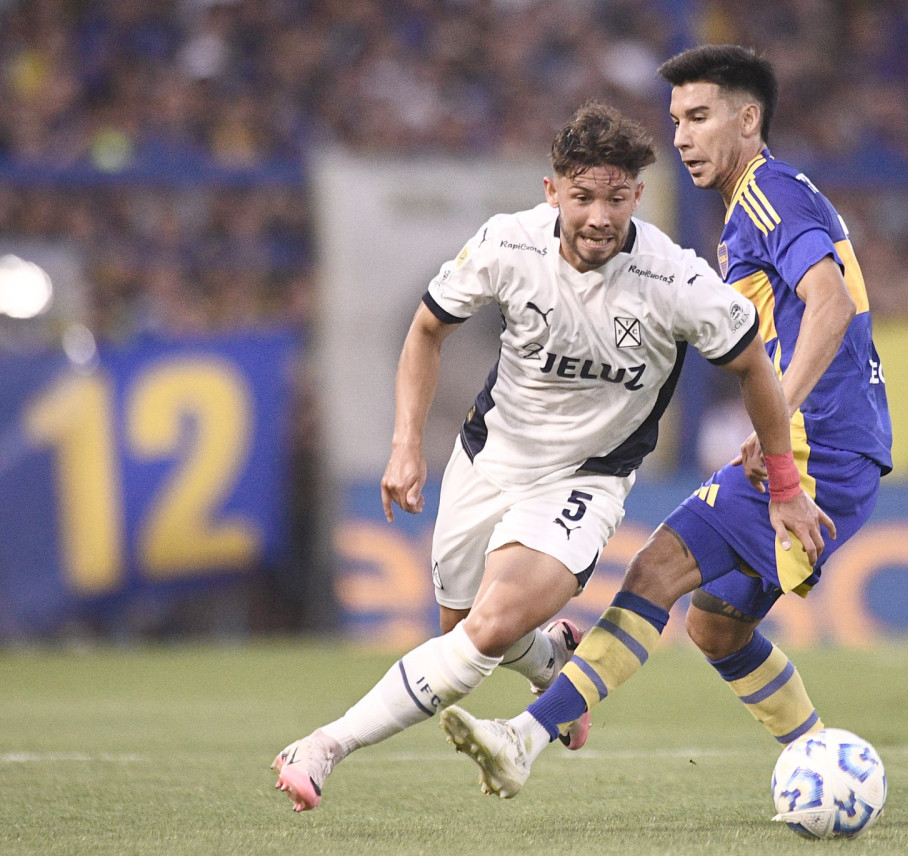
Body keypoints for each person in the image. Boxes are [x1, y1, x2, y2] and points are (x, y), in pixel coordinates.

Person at [269, 100, 829, 812]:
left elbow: (754, 366)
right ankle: (555, 658)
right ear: (552, 192)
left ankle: (323, 746)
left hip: (587, 478)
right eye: (584, 196)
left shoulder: (676, 281)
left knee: (487, 631)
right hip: (489, 459)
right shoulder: (508, 246)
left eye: (618, 198)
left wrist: (785, 483)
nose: (599, 216)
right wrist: (407, 442)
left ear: (638, 196)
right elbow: (425, 331)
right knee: (468, 631)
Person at [441, 44, 892, 799]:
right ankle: (826, 766)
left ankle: (525, 738)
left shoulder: (764, 194)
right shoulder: (769, 198)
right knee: (716, 628)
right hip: (847, 450)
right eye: (676, 119)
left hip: (816, 449)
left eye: (699, 116)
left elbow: (832, 302)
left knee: (654, 570)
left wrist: (779, 415)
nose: (681, 136)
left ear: (748, 119)